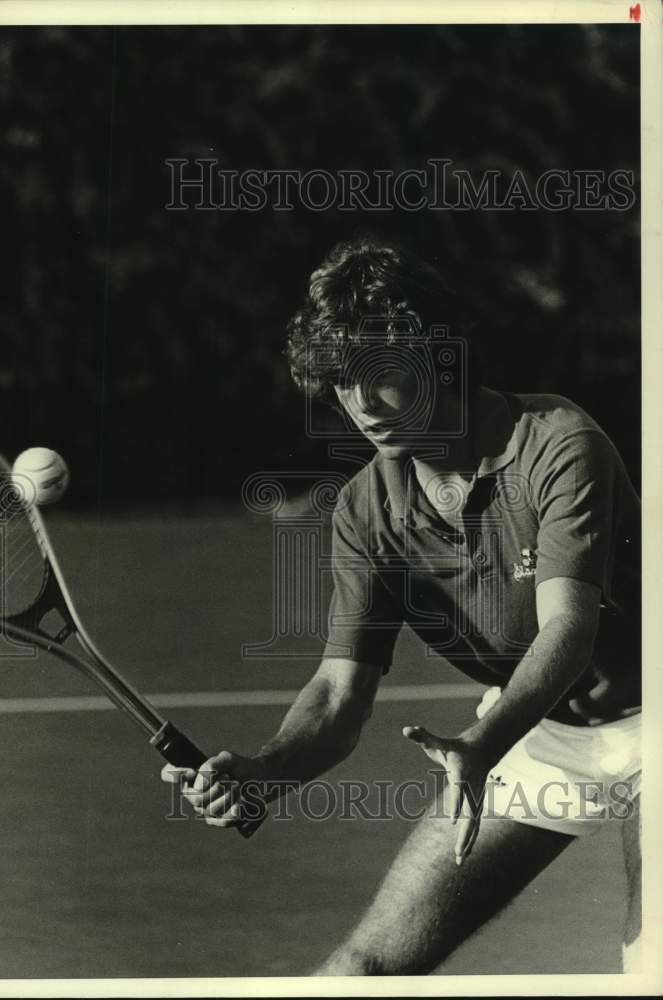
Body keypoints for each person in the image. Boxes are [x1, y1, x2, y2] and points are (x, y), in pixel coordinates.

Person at [161, 238, 642, 974]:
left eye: (377, 376)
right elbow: (337, 691)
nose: (358, 404)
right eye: (338, 384)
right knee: (365, 969)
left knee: (652, 965)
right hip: (543, 733)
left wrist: (483, 744)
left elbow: (568, 629)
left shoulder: (555, 442)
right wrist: (267, 770)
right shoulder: (367, 509)